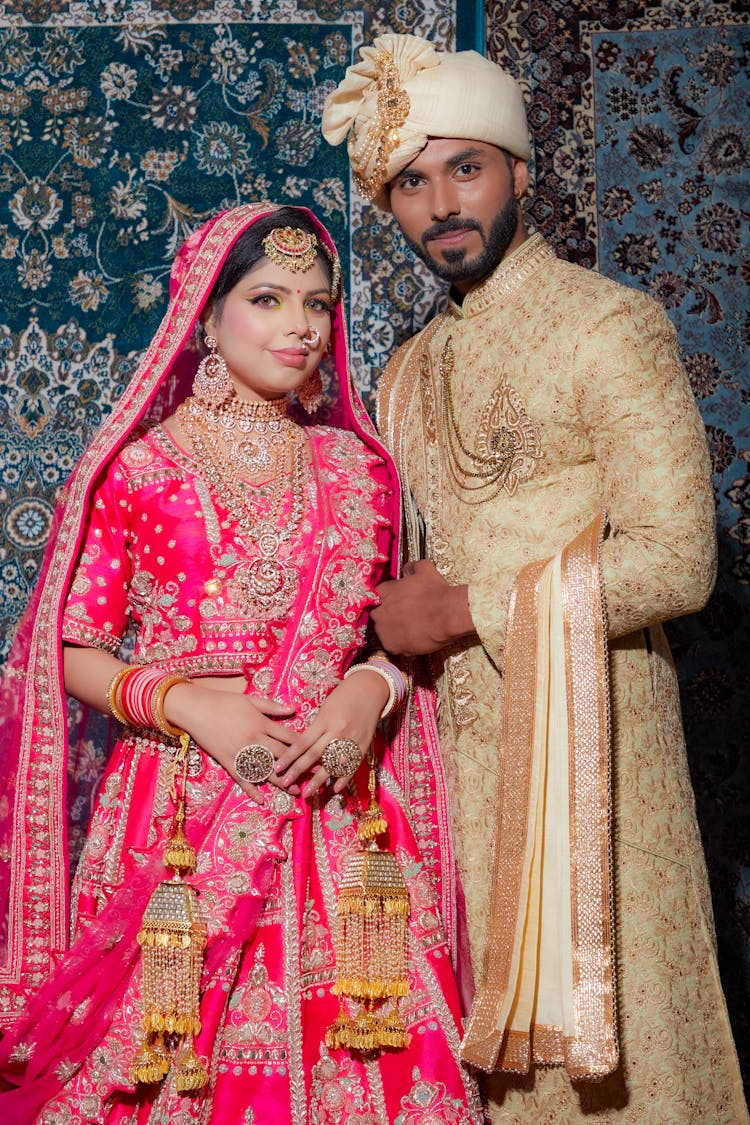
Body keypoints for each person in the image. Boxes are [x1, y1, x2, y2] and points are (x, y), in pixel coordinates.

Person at [322, 33, 749, 1123]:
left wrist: (460, 606)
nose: (440, 204)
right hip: (442, 772)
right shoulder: (405, 370)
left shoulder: (609, 325)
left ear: (521, 170)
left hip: (594, 749)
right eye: (410, 182)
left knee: (618, 1042)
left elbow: (678, 556)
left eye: (466, 167)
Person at [0, 202, 485, 1124]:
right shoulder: (139, 469)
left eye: (317, 302)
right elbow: (67, 651)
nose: (299, 324)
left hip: (346, 808)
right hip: (181, 810)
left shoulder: (361, 465)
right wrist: (192, 707)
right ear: (207, 315)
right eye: (267, 298)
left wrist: (367, 687)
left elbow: (400, 633)